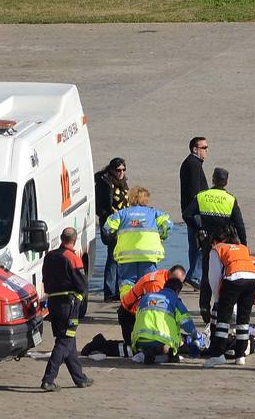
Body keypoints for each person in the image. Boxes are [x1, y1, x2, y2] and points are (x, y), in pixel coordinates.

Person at [184, 167, 247, 320]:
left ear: (213, 179)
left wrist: (198, 228)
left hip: (208, 240)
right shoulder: (230, 199)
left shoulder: (202, 196)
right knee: (224, 275)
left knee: (206, 273)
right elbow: (239, 224)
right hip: (225, 243)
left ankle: (204, 306)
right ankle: (219, 306)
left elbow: (187, 214)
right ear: (226, 182)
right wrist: (243, 245)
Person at [40, 228, 93, 391]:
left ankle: (79, 378)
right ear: (74, 241)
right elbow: (82, 284)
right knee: (64, 342)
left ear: (61, 238)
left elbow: (44, 279)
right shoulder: (73, 259)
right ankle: (48, 379)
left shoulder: (49, 256)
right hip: (68, 306)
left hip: (54, 304)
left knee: (69, 339)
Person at [203, 230, 255, 367]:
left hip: (234, 278)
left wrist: (217, 298)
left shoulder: (217, 249)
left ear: (214, 242)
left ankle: (218, 354)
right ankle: (240, 355)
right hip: (253, 279)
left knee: (223, 320)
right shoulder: (242, 248)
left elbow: (214, 277)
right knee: (243, 319)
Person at [104, 188, 171, 299]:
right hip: (148, 255)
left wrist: (115, 235)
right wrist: (162, 236)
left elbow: (107, 227)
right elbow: (168, 224)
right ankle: (147, 306)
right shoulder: (154, 213)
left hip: (127, 256)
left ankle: (127, 306)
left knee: (127, 282)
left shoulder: (122, 214)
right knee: (149, 281)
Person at [131, 274, 198, 364]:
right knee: (173, 344)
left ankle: (149, 352)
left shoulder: (146, 297)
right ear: (177, 291)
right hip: (161, 340)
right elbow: (187, 324)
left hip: (140, 339)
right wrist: (195, 336)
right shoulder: (174, 300)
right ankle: (170, 354)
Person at [93, 157, 128, 300]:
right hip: (111, 223)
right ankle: (110, 291)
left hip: (123, 223)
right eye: (118, 170)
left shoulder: (122, 182)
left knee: (119, 257)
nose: (121, 172)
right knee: (113, 256)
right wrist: (107, 217)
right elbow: (101, 205)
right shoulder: (105, 183)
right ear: (112, 170)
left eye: (123, 170)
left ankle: (117, 290)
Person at [179, 137, 209, 289]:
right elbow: (195, 192)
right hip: (196, 212)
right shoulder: (193, 164)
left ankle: (194, 275)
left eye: (206, 147)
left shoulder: (193, 163)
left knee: (195, 243)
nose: (206, 150)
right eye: (203, 147)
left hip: (190, 211)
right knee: (202, 242)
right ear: (194, 149)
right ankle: (195, 276)